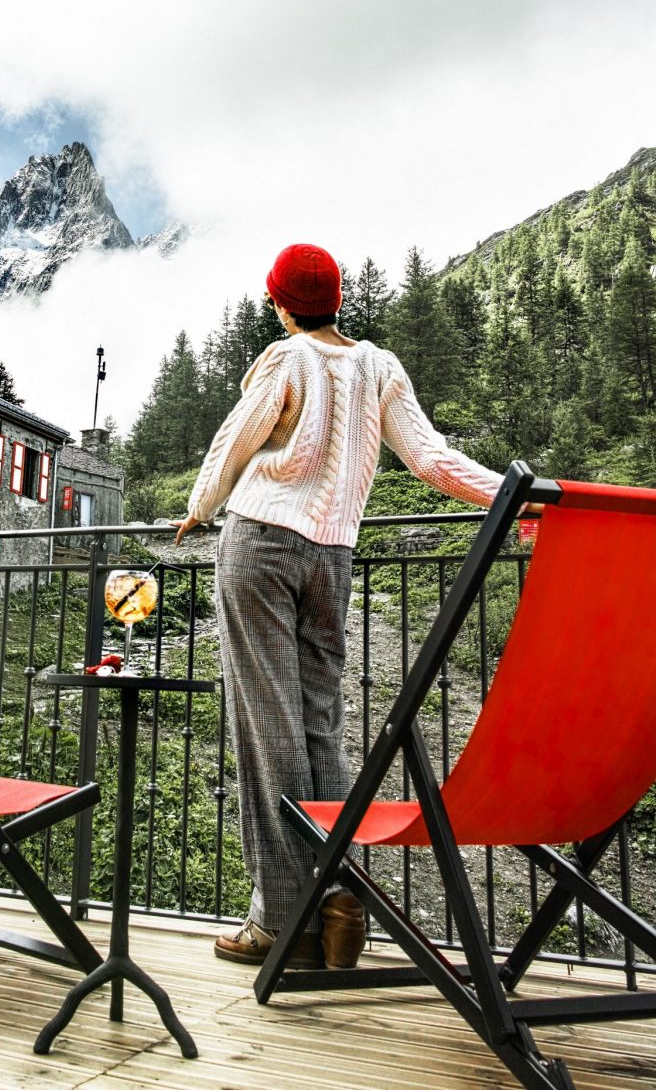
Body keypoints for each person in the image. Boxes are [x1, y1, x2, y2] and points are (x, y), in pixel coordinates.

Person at [175, 243, 503, 969]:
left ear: (282, 303)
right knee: (321, 725)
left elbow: (234, 447)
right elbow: (431, 460)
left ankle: (279, 920)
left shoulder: (285, 359)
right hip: (333, 557)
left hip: (259, 547)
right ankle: (339, 898)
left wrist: (198, 509)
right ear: (339, 300)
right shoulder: (380, 366)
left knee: (268, 729)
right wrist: (512, 495)